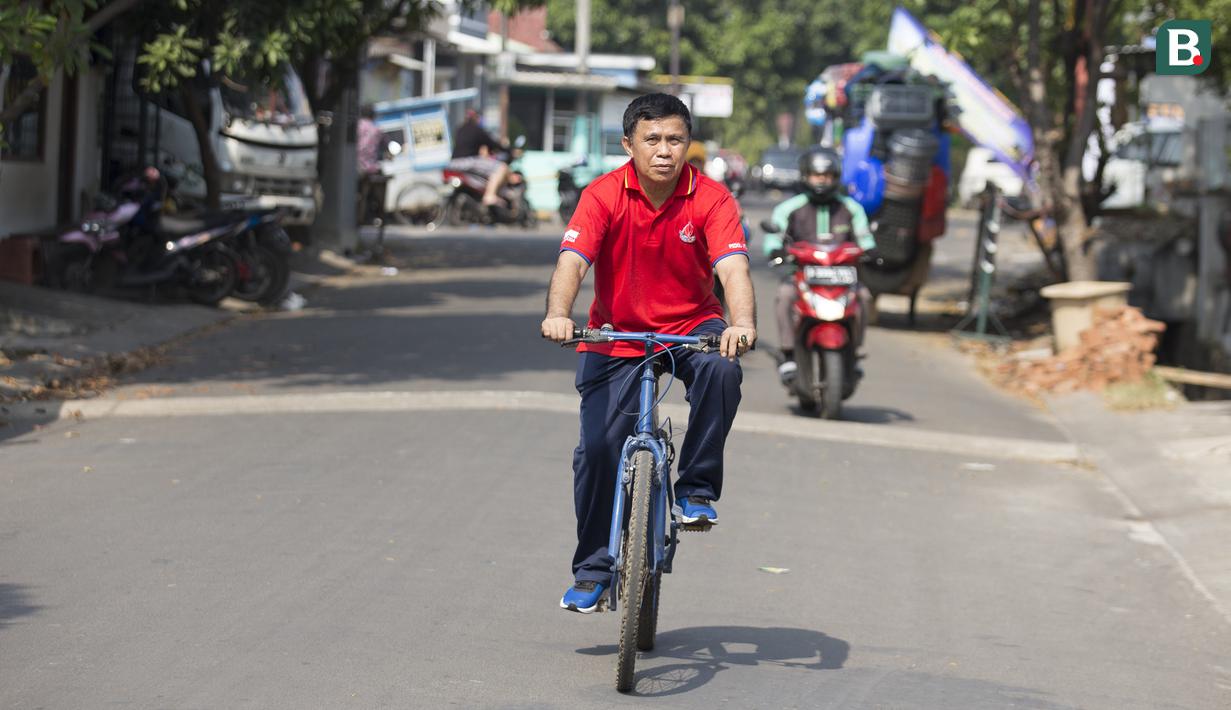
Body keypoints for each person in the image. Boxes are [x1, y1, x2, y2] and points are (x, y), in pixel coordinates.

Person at [541, 93, 758, 614]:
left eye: (675, 139)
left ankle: (696, 491)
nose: (665, 151)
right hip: (616, 332)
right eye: (652, 140)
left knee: (721, 371)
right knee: (597, 450)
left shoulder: (711, 198)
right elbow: (573, 261)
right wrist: (558, 313)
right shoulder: (602, 195)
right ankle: (593, 569)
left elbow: (732, 270)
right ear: (629, 144)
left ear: (689, 143)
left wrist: (743, 323)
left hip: (691, 324)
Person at [762, 147, 877, 384]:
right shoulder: (790, 208)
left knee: (864, 297)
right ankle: (789, 354)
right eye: (816, 174)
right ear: (805, 176)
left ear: (836, 177)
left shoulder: (851, 208)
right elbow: (773, 236)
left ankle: (855, 350)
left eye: (827, 175)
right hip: (802, 277)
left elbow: (865, 238)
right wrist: (775, 250)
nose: (822, 180)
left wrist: (871, 250)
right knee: (784, 296)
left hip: (842, 278)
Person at [447, 108, 510, 211]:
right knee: (501, 167)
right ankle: (490, 195)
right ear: (476, 118)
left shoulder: (459, 129)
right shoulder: (477, 130)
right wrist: (508, 149)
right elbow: (493, 143)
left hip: (453, 163)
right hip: (469, 162)